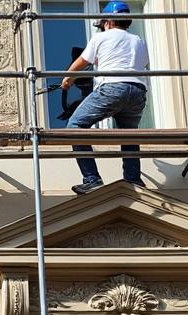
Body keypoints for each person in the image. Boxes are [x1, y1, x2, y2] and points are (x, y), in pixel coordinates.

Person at [60, 0, 150, 195]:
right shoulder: (138, 40)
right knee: (129, 135)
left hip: (112, 88)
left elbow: (82, 62)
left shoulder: (101, 37)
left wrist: (68, 79)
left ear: (107, 22)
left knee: (75, 127)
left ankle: (91, 178)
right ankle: (133, 179)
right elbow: (139, 64)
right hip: (137, 91)